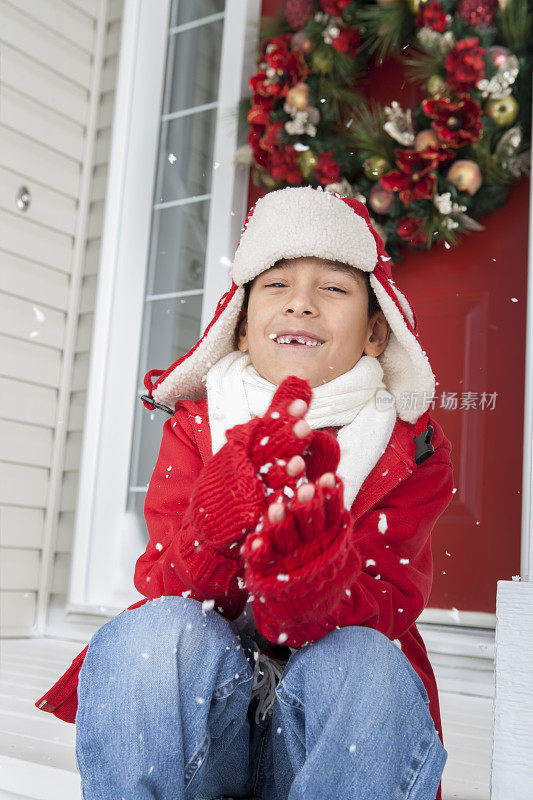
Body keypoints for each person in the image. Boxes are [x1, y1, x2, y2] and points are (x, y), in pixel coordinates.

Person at [35, 185, 454, 800]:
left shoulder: (409, 449)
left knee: (368, 663)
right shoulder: (198, 426)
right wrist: (212, 532)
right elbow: (164, 585)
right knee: (150, 635)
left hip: (328, 744)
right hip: (212, 732)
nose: (301, 304)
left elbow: (393, 603)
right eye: (276, 284)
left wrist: (315, 593)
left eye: (334, 287)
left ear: (374, 334)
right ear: (238, 329)